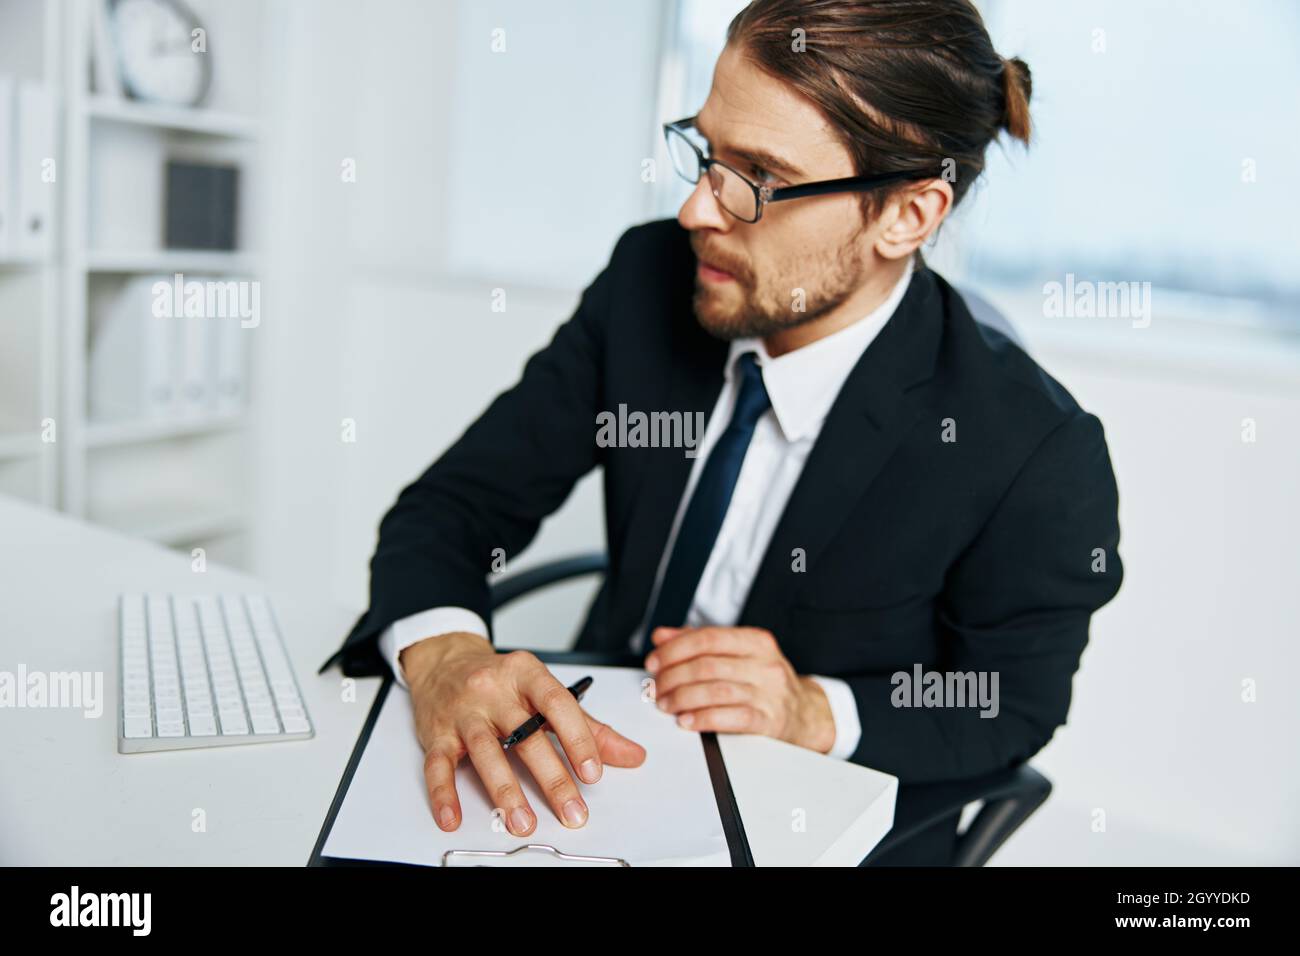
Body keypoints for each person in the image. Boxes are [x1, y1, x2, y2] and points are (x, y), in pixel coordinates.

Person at [320, 0, 1123, 865]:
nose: (698, 211)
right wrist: (444, 656)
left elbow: (1011, 698)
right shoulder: (648, 284)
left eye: (757, 180)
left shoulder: (1034, 449)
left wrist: (816, 709)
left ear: (908, 215)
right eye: (704, 155)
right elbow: (456, 507)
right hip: (596, 771)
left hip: (809, 827)